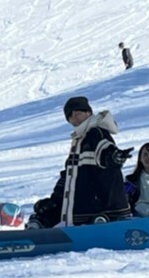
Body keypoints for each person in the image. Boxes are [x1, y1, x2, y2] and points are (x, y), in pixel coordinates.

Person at [29, 96, 132, 229]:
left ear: (88, 113)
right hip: (83, 204)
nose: (74, 119)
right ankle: (37, 226)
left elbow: (104, 150)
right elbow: (70, 174)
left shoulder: (96, 132)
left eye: (77, 114)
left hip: (100, 206)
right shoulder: (80, 139)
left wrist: (114, 157)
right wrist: (54, 200)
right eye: (70, 116)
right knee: (48, 210)